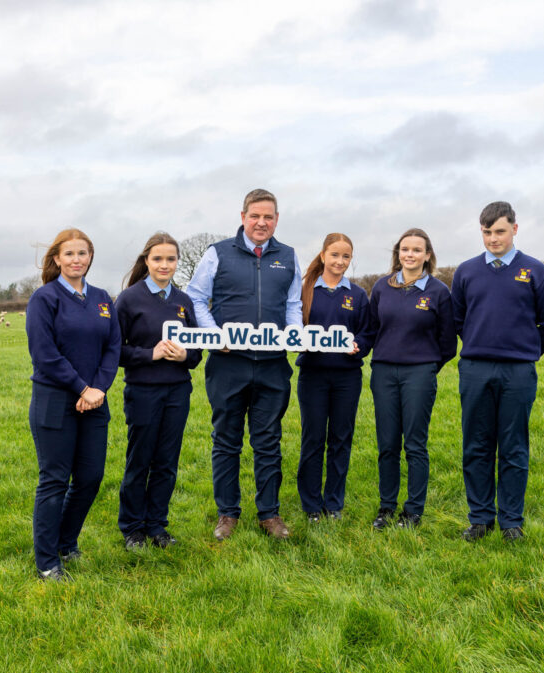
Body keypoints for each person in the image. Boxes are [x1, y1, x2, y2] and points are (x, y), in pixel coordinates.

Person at [187, 189, 303, 540]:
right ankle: (228, 513)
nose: (261, 222)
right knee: (226, 440)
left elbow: (293, 304)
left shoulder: (289, 256)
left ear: (277, 220)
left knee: (268, 440)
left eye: (268, 217)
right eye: (255, 216)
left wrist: (293, 334)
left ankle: (269, 514)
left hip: (272, 365)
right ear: (243, 217)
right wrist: (214, 335)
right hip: (228, 364)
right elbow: (196, 297)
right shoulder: (217, 253)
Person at [451, 201, 544, 542]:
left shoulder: (534, 271)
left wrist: (526, 351)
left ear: (515, 228)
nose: (493, 239)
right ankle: (480, 518)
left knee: (513, 447)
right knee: (477, 445)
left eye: (499, 231)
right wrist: (480, 345)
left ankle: (511, 520)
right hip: (475, 370)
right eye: (486, 232)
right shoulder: (466, 272)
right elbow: (458, 319)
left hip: (518, 372)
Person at [26, 228, 121, 581]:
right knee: (54, 480)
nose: (76, 259)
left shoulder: (102, 299)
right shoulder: (44, 299)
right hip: (54, 400)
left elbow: (113, 347)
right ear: (57, 259)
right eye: (69, 253)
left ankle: (66, 543)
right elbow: (44, 353)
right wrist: (81, 387)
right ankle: (47, 561)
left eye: (83, 253)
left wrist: (97, 388)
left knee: (91, 477)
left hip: (95, 401)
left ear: (90, 257)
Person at [115, 233, 202, 550]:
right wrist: (149, 354)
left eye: (170, 259)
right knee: (140, 460)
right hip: (143, 391)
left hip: (177, 392)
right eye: (158, 259)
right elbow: (115, 351)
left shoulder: (183, 301)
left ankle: (157, 526)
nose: (164, 265)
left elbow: (197, 351)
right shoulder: (128, 300)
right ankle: (132, 528)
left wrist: (185, 356)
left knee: (166, 462)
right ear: (146, 261)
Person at [367, 228, 456, 530]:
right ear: (398, 253)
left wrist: (426, 367)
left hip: (419, 373)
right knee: (387, 444)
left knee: (415, 444)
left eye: (417, 250)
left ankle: (413, 511)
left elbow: (448, 342)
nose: (410, 254)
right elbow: (371, 329)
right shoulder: (381, 287)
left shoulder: (439, 292)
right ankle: (386, 507)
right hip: (383, 373)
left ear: (427, 255)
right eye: (405, 249)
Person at [295, 233, 373, 522]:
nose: (340, 261)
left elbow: (367, 332)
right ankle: (311, 505)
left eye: (346, 256)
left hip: (347, 377)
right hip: (312, 374)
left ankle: (334, 503)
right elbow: (291, 327)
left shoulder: (358, 295)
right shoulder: (304, 289)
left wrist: (358, 346)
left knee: (341, 438)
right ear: (323, 255)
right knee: (313, 438)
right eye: (335, 255)